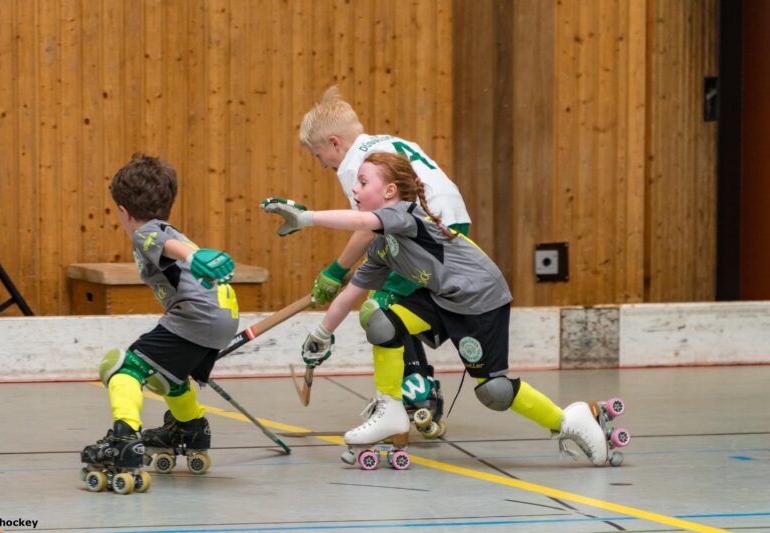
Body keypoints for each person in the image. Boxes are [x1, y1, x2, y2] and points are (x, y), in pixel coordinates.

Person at [261, 152, 614, 466]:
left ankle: (568, 421)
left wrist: (306, 219)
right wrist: (321, 334)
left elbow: (361, 223)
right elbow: (349, 294)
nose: (355, 188)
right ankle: (390, 410)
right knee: (381, 322)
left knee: (494, 392)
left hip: (480, 300)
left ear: (389, 192)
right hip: (440, 297)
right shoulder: (381, 248)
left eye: (363, 182)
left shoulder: (405, 215)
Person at [299, 86, 472, 437]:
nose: (323, 165)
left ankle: (414, 393)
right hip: (452, 221)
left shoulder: (357, 166)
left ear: (335, 143)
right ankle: (416, 387)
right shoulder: (389, 142)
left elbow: (368, 228)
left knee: (381, 311)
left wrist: (335, 271)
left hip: (426, 232)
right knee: (392, 304)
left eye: (319, 156)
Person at [80, 154, 240, 494]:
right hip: (219, 319)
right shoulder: (171, 229)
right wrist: (191, 254)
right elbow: (172, 248)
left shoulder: (146, 232)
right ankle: (190, 428)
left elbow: (165, 246)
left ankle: (124, 438)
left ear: (123, 211)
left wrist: (191, 256)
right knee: (167, 376)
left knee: (122, 368)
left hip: (196, 317)